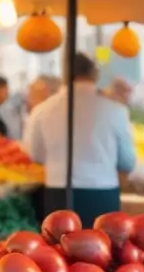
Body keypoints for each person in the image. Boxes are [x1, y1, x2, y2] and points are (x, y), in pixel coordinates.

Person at [24, 53, 136, 226]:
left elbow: (35, 155)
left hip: (57, 193)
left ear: (64, 74)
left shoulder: (42, 111)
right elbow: (127, 161)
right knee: (104, 248)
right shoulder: (115, 111)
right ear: (94, 75)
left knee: (58, 247)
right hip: (102, 194)